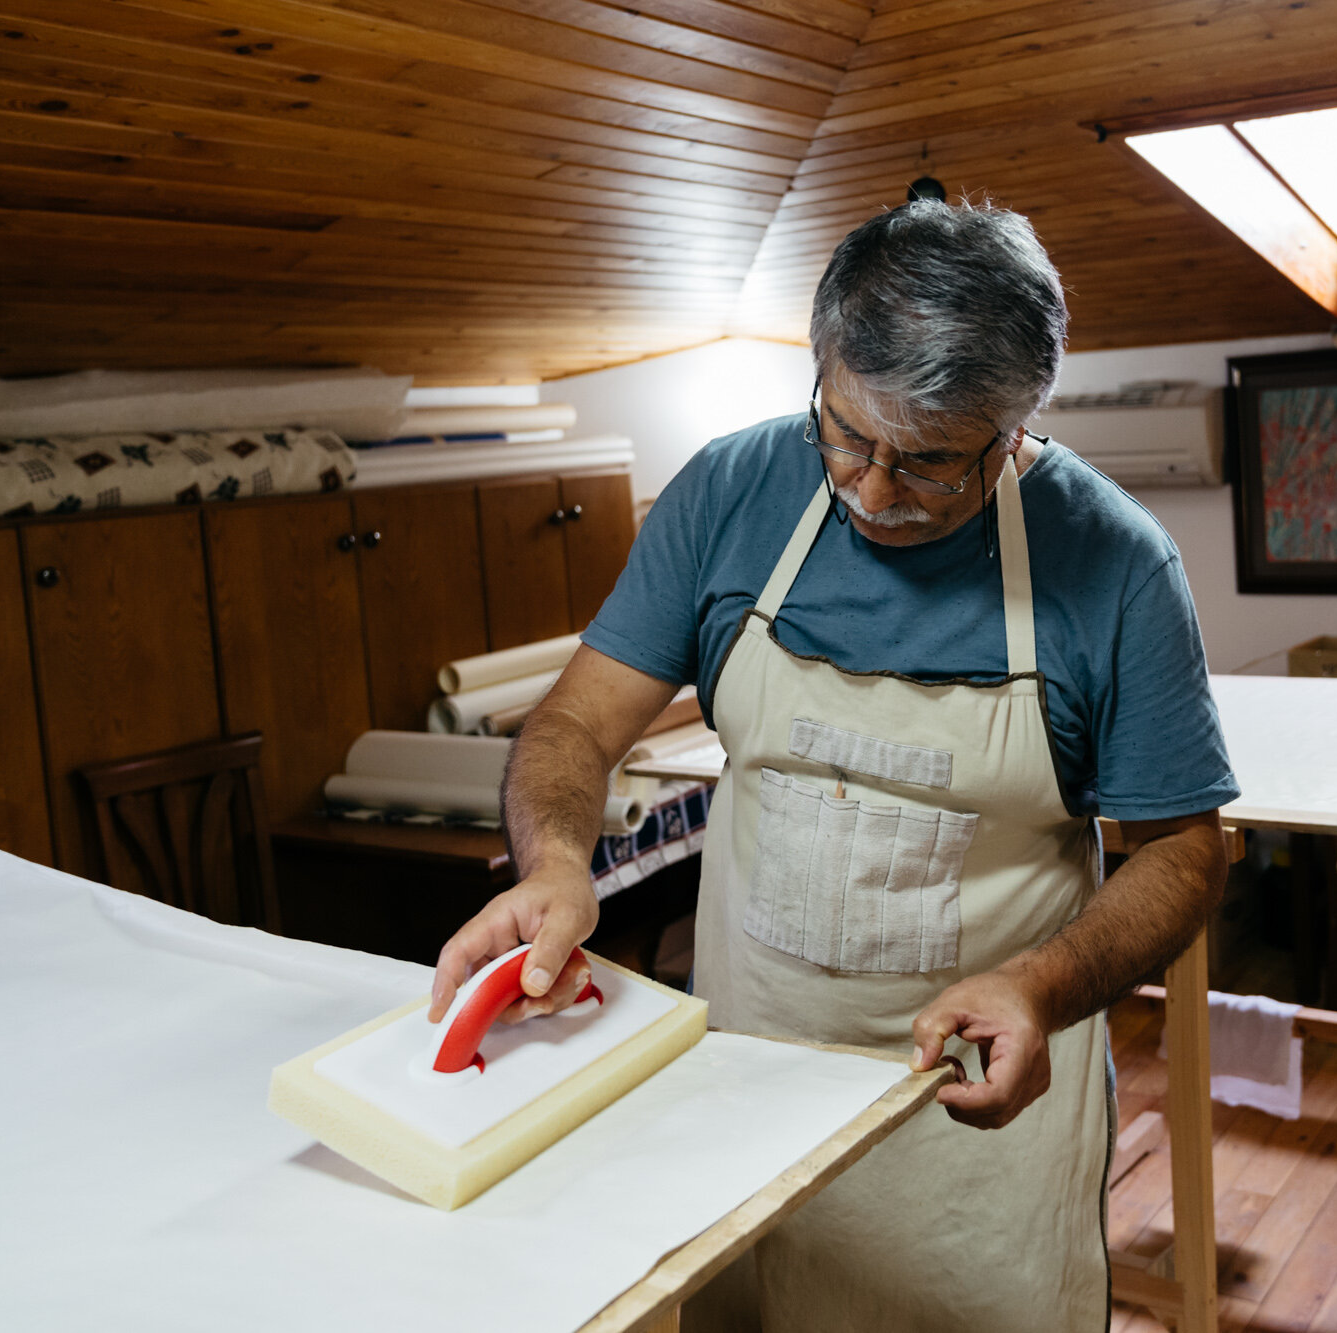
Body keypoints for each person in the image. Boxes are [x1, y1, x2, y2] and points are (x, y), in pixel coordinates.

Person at [427, 199, 1238, 1332]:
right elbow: (573, 726)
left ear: (1013, 428)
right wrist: (556, 861)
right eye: (847, 436)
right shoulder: (727, 493)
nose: (869, 492)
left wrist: (1040, 989)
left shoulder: (1114, 564)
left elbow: (1183, 852)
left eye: (930, 464)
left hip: (966, 1117)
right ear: (821, 367)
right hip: (742, 1077)